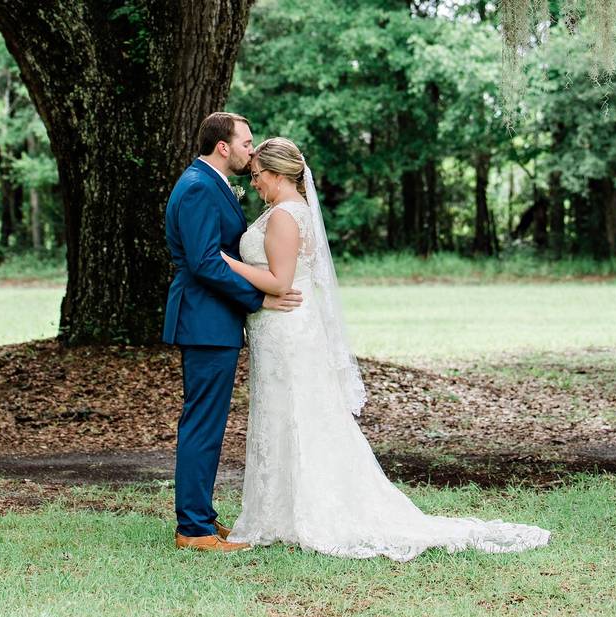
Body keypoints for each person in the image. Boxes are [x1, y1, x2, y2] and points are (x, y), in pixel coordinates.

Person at [219, 137, 551, 561]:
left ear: (278, 173)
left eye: (258, 175)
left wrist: (225, 261)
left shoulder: (285, 216)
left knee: (297, 414)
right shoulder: (284, 212)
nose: (256, 182)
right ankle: (278, 511)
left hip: (288, 327)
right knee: (282, 415)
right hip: (277, 329)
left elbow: (280, 282)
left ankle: (305, 510)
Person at [162, 113, 302, 553]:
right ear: (223, 146)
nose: (251, 149)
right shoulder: (200, 186)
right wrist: (259, 299)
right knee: (202, 423)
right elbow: (206, 261)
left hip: (214, 320)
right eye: (246, 141)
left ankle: (201, 517)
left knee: (207, 421)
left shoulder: (210, 183)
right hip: (205, 321)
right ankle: (193, 529)